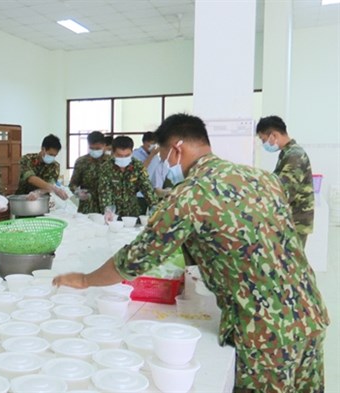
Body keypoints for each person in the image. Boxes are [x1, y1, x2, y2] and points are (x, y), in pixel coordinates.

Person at [54, 114, 329, 393]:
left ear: (177, 149)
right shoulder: (262, 179)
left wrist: (85, 280)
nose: (168, 164)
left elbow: (137, 258)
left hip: (265, 331)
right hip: (309, 314)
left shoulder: (191, 194)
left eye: (165, 157)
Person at [256, 116, 314, 247]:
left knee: (292, 264)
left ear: (273, 135)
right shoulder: (287, 153)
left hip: (296, 220)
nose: (263, 143)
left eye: (263, 139)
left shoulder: (294, 155)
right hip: (291, 218)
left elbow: (285, 192)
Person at [97, 136, 157, 220]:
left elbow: (146, 187)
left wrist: (154, 205)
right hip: (113, 213)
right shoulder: (106, 168)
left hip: (132, 212)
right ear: (113, 153)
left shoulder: (137, 166)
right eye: (119, 155)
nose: (123, 158)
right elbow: (105, 191)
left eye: (127, 155)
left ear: (132, 152)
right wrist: (108, 209)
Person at [15, 134, 68, 200]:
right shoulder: (27, 159)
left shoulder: (55, 166)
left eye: (54, 155)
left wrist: (38, 193)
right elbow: (31, 178)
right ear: (43, 149)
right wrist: (54, 188)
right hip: (22, 199)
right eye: (50, 154)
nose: (52, 157)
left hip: (42, 201)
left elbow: (50, 184)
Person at [68, 131, 108, 214]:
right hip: (87, 207)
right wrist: (78, 192)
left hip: (107, 207)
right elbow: (72, 184)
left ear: (104, 146)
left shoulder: (111, 162)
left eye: (97, 149)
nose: (94, 151)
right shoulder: (81, 162)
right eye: (91, 148)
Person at [132, 131, 168, 213]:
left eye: (155, 143)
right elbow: (139, 170)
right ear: (145, 142)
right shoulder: (135, 154)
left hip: (152, 193)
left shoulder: (156, 157)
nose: (154, 146)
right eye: (152, 143)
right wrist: (151, 155)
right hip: (139, 194)